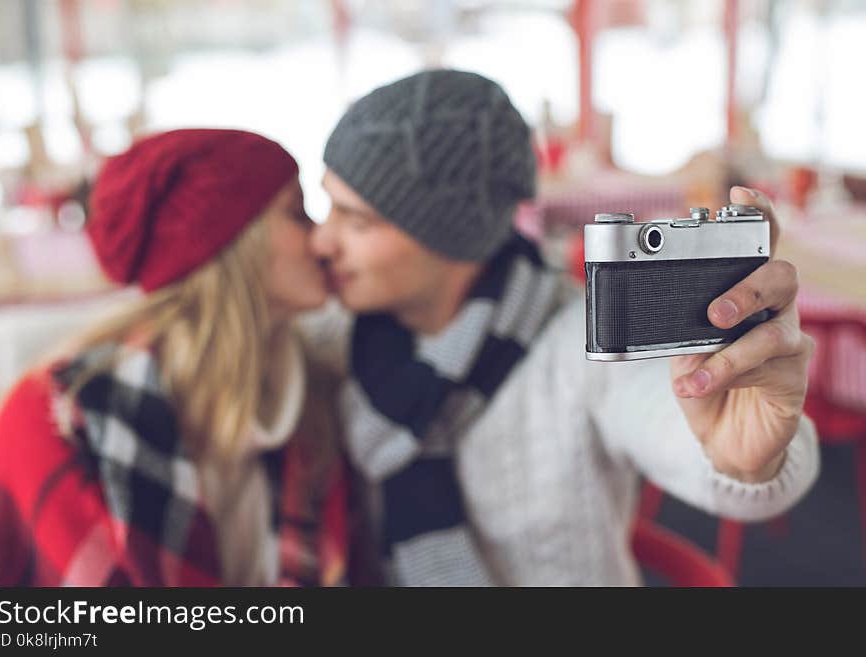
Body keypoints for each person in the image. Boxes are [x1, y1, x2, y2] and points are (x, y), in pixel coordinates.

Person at [304, 69, 820, 586]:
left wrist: (751, 460)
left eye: (356, 220)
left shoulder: (584, 342)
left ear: (447, 237)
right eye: (325, 206)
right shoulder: (337, 341)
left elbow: (710, 446)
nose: (322, 242)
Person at [0, 129, 347, 586]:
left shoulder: (313, 393)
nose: (324, 241)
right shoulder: (51, 417)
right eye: (299, 215)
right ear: (230, 246)